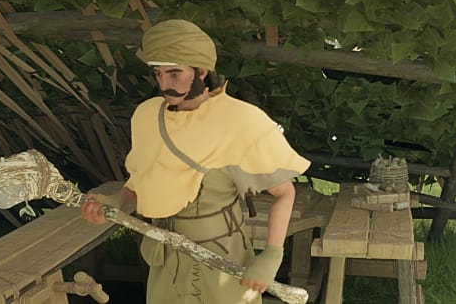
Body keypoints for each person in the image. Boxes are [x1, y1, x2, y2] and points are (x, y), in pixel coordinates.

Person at [80, 19, 310, 303]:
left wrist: (272, 255)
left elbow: (284, 192)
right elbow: (146, 179)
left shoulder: (239, 121)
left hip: (221, 254)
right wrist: (118, 199)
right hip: (165, 254)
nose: (164, 84)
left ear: (201, 71)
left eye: (174, 74)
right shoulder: (148, 116)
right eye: (158, 74)